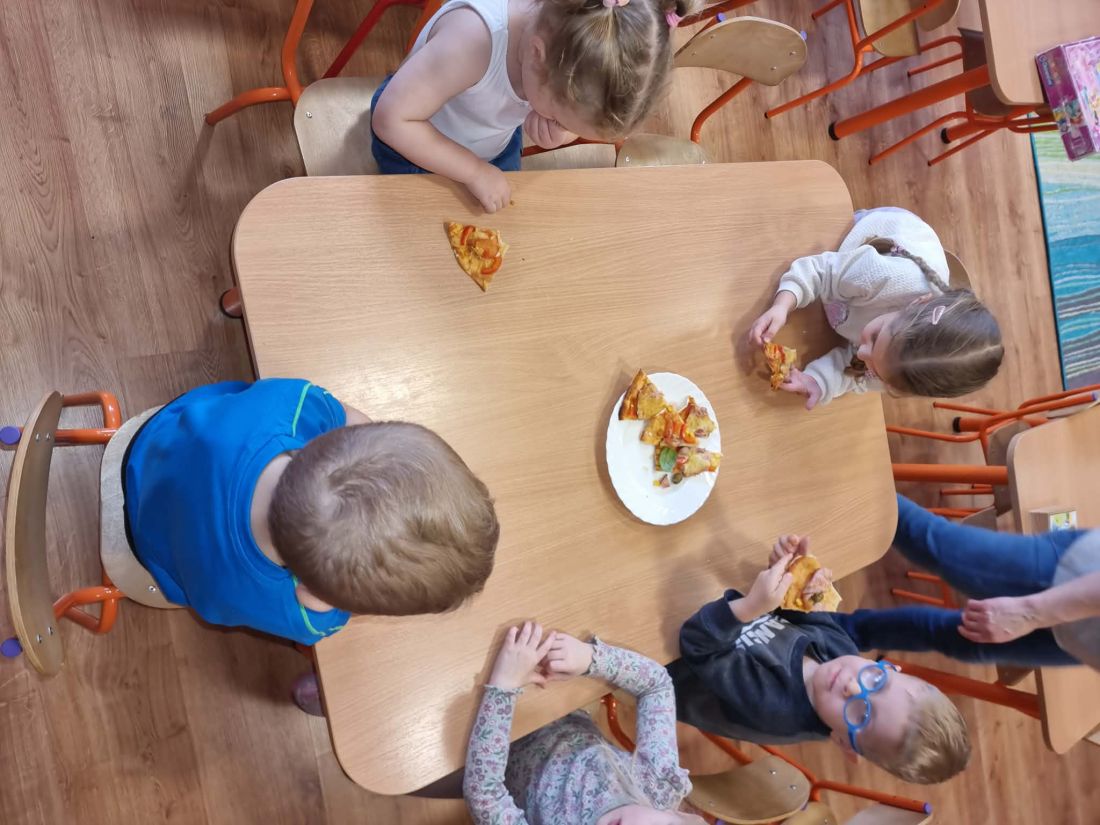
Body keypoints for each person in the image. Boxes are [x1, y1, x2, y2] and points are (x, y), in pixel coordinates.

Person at [123, 379, 499, 647]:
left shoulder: (293, 407)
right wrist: (329, 597)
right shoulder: (306, 615)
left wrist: (371, 445)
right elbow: (320, 607)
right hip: (155, 560)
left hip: (154, 442)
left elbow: (346, 415)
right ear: (312, 592)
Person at [669, 539, 971, 785]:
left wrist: (750, 607)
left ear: (844, 743)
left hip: (667, 660)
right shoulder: (843, 651)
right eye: (876, 681)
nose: (852, 687)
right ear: (890, 667)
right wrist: (795, 575)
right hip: (700, 604)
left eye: (861, 714)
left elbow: (698, 646)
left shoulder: (776, 709)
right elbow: (800, 610)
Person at [371, 0, 700, 213]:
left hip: (488, 140)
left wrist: (559, 134)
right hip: (414, 137)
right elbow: (390, 120)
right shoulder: (469, 43)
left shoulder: (554, 45)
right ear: (536, 55)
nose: (560, 126)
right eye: (558, 118)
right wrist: (473, 172)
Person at [748, 207, 1003, 409]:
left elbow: (856, 375)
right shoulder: (885, 275)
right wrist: (783, 304)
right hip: (878, 228)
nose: (861, 352)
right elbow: (821, 271)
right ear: (918, 302)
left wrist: (818, 381)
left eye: (877, 373)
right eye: (875, 337)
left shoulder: (900, 370)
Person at [463, 622, 707, 824]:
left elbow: (485, 796)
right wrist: (590, 659)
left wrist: (504, 686)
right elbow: (656, 686)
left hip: (483, 744)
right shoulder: (658, 786)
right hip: (548, 702)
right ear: (678, 815)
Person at [831, 494, 1100, 670]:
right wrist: (1030, 612)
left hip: (1083, 642)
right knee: (940, 548)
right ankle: (840, 482)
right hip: (1079, 574)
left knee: (957, 640)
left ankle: (832, 633)